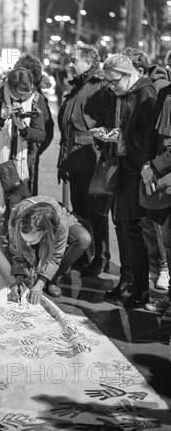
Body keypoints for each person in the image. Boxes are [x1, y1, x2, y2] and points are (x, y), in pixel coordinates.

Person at [87, 54, 157, 308]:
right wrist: (110, 135)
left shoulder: (146, 94)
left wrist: (121, 139)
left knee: (132, 229)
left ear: (129, 75)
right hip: (122, 167)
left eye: (114, 81)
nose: (111, 87)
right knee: (123, 227)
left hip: (135, 170)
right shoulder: (126, 93)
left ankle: (140, 289)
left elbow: (147, 138)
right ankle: (127, 283)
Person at [0, 67, 46, 258]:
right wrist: (1, 117)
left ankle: (19, 256)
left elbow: (41, 134)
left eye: (25, 95)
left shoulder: (36, 100)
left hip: (22, 168)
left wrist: (23, 128)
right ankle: (8, 255)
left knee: (20, 215)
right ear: (9, 87)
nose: (22, 99)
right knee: (1, 215)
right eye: (17, 94)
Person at [58, 44, 110, 276]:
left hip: (91, 160)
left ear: (89, 63)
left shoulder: (98, 87)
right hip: (76, 161)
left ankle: (101, 258)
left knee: (96, 213)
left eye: (74, 60)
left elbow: (102, 125)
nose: (69, 64)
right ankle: (86, 255)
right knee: (81, 212)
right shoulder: (79, 88)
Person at [124, 46, 170, 291]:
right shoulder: (159, 92)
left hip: (159, 168)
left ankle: (161, 270)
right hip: (152, 166)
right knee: (156, 229)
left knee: (158, 227)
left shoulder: (155, 90)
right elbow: (153, 132)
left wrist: (152, 164)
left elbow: (155, 134)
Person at [9, 197, 93, 301]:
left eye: (32, 241)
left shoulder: (60, 222)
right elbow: (16, 253)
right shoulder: (16, 219)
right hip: (30, 219)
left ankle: (52, 278)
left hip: (58, 219)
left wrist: (41, 282)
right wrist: (19, 279)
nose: (27, 244)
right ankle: (33, 273)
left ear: (45, 233)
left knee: (83, 238)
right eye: (24, 239)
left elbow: (55, 256)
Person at [141, 79, 171, 322]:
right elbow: (155, 133)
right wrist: (148, 164)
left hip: (165, 170)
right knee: (167, 239)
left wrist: (154, 165)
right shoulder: (165, 92)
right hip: (163, 176)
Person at [14, 53, 54, 196]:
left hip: (29, 157)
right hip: (8, 157)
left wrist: (36, 150)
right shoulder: (7, 94)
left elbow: (48, 131)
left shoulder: (39, 100)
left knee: (27, 199)